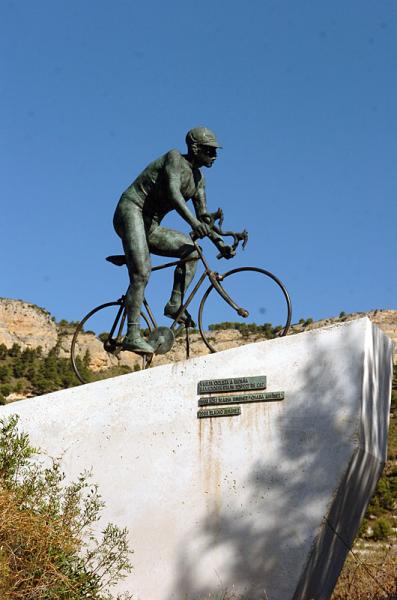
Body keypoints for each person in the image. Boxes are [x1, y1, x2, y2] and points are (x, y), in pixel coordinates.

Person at [113, 126, 232, 354]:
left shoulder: (199, 179)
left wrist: (220, 243)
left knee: (192, 252)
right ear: (195, 148)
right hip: (131, 210)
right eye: (209, 151)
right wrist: (194, 225)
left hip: (151, 226)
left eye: (215, 151)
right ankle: (132, 334)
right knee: (142, 273)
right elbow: (174, 194)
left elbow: (203, 218)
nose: (214, 156)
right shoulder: (174, 158)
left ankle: (175, 303)